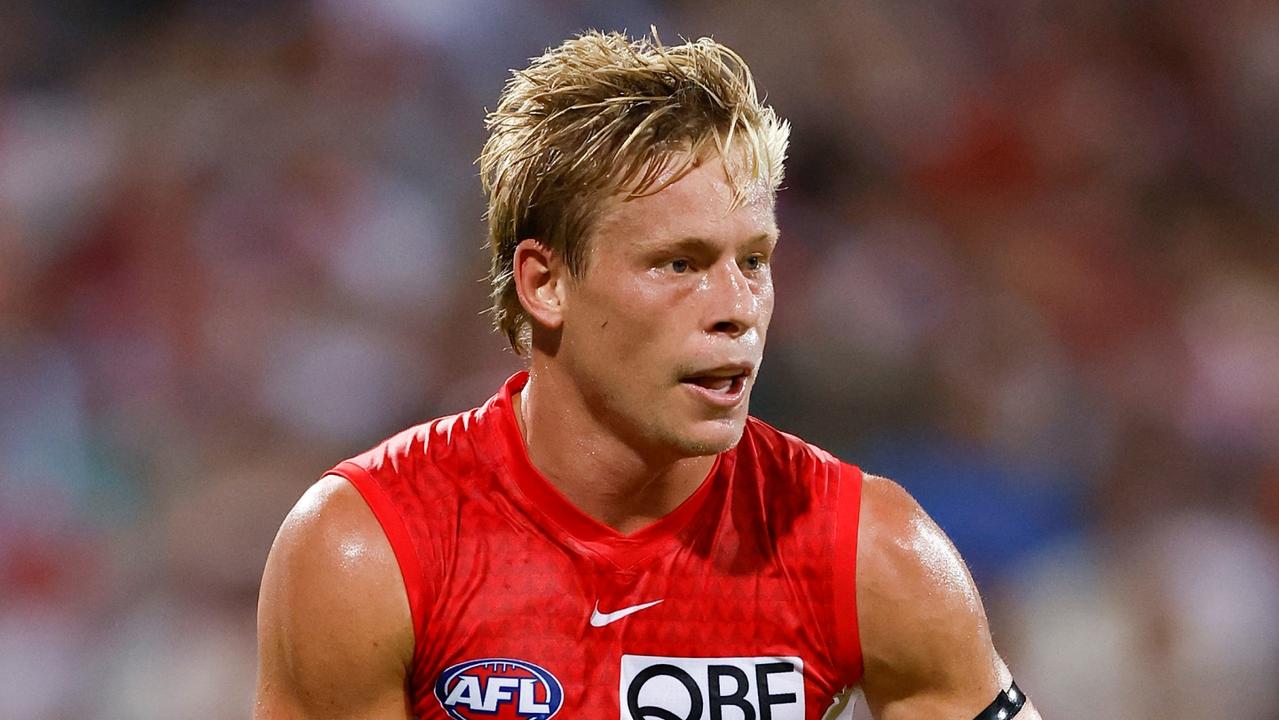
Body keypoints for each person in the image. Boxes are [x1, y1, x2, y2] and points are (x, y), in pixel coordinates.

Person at [254, 30, 1039, 720]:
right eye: (679, 263)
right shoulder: (370, 549)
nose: (737, 308)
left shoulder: (868, 549)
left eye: (754, 262)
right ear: (544, 282)